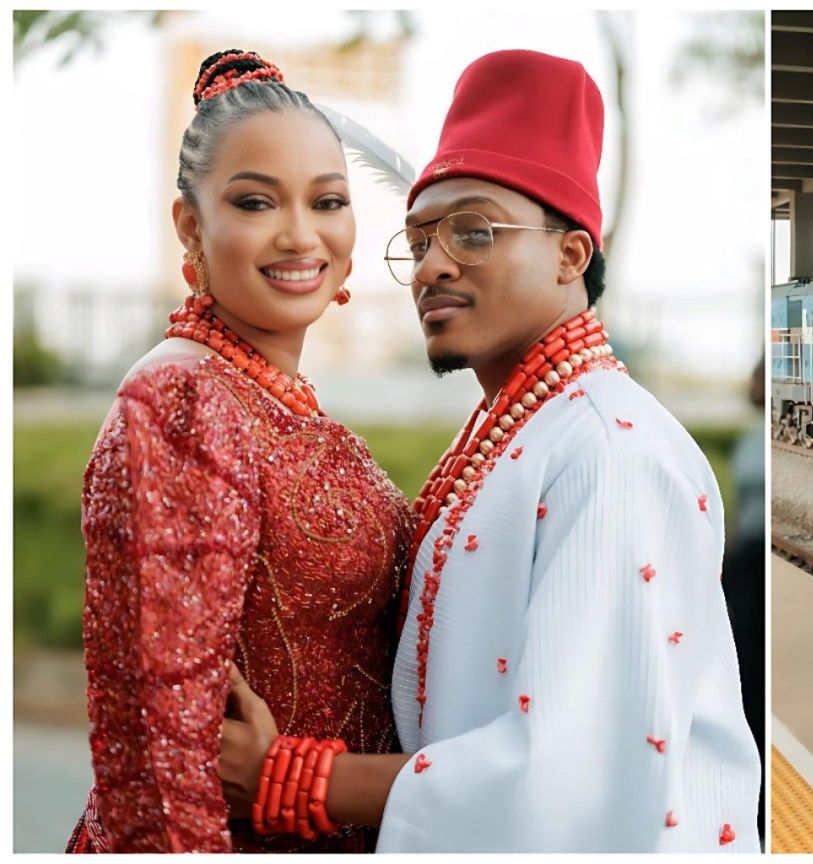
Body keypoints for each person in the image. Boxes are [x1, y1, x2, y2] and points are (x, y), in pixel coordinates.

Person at [216, 50, 761, 853]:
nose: (432, 267)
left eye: (473, 232)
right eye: (419, 241)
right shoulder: (520, 428)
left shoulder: (607, 452)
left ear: (571, 255)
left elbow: (574, 772)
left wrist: (290, 780)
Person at [69, 50, 408, 853]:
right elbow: (160, 757)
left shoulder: (265, 391)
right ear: (190, 226)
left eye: (328, 201)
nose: (301, 234)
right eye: (256, 201)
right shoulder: (184, 404)